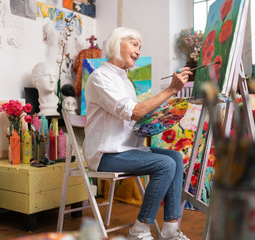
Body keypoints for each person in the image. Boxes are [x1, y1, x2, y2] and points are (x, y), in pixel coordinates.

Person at [82, 27, 192, 240]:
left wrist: (163, 116)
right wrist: (170, 90)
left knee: (175, 157)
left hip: (127, 148)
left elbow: (139, 117)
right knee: (165, 164)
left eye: (140, 47)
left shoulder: (125, 81)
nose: (138, 51)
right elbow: (135, 112)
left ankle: (170, 229)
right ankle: (139, 229)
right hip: (106, 154)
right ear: (116, 44)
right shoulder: (100, 77)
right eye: (134, 44)